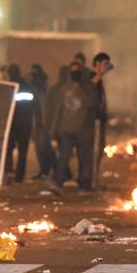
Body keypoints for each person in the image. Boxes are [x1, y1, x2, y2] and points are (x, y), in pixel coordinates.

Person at [50, 61, 99, 190]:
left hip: (84, 131)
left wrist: (80, 90)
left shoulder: (89, 87)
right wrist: (54, 130)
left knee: (84, 160)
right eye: (73, 71)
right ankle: (58, 184)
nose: (75, 73)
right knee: (63, 159)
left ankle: (84, 186)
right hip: (66, 130)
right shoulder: (65, 88)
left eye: (77, 71)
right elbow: (58, 110)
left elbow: (92, 104)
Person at [5, 64, 35, 183]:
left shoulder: (8, 87)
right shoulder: (27, 86)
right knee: (22, 152)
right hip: (25, 124)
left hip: (11, 124)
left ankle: (9, 173)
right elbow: (34, 105)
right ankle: (19, 176)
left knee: (8, 150)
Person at [29, 64, 56, 180]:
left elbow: (48, 107)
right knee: (40, 150)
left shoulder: (46, 89)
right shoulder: (33, 88)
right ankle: (44, 171)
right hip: (37, 124)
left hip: (45, 124)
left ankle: (60, 171)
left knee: (47, 150)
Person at [90, 52, 113, 186]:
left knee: (100, 149)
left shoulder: (99, 80)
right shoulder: (92, 78)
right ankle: (92, 181)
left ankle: (94, 179)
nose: (108, 68)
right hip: (95, 120)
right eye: (105, 64)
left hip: (100, 120)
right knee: (95, 150)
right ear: (97, 64)